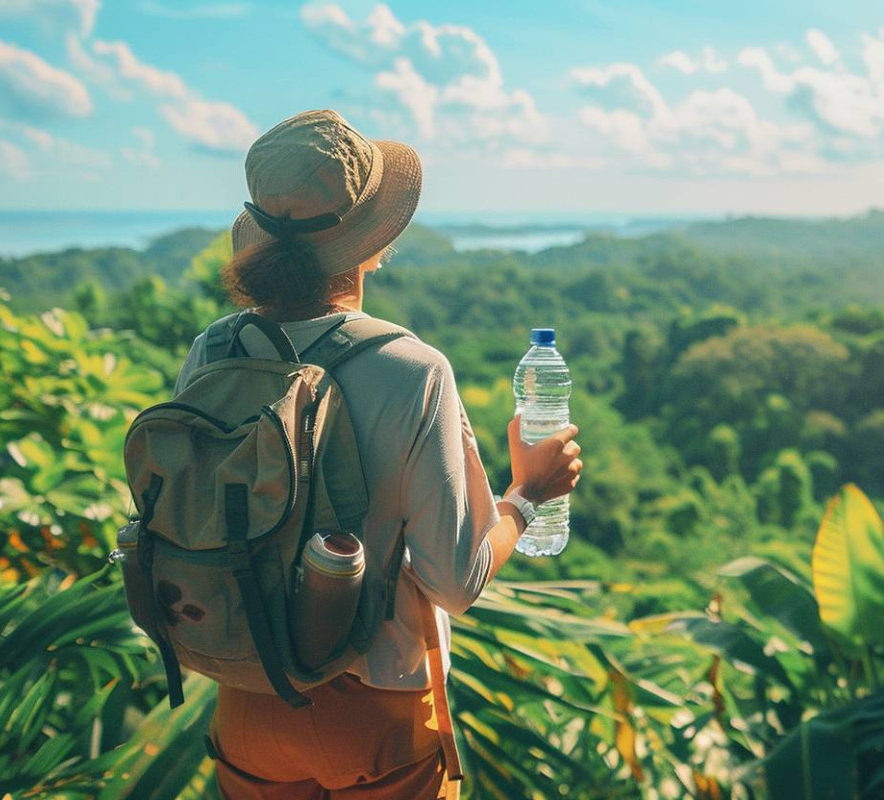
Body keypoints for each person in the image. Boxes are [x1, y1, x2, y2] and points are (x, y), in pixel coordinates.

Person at [174, 109, 583, 799]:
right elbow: (458, 580)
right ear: (370, 242)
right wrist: (526, 495)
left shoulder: (214, 351)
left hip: (249, 694)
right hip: (378, 706)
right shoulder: (410, 369)